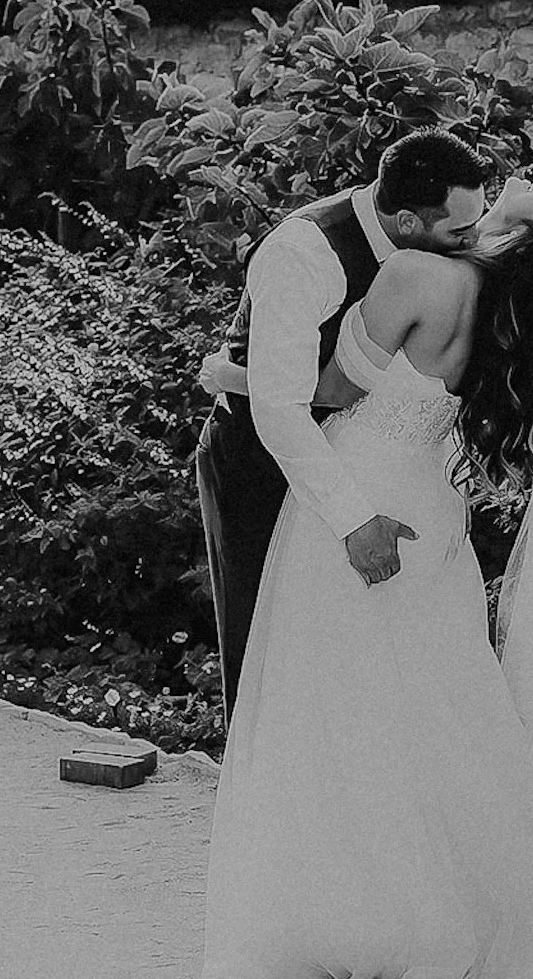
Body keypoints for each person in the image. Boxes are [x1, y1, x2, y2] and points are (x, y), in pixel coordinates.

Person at [202, 178, 533, 979]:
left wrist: (228, 374)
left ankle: (360, 927)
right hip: (431, 516)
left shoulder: (419, 276)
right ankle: (432, 918)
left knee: (339, 715)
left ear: (522, 234)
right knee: (434, 718)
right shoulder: (518, 319)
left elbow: (328, 391)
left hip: (358, 507)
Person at [195, 128, 494, 719]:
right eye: (460, 231)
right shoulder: (304, 254)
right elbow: (280, 409)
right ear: (407, 221)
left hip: (359, 459)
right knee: (266, 655)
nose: (474, 240)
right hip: (261, 462)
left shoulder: (426, 256)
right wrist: (354, 519)